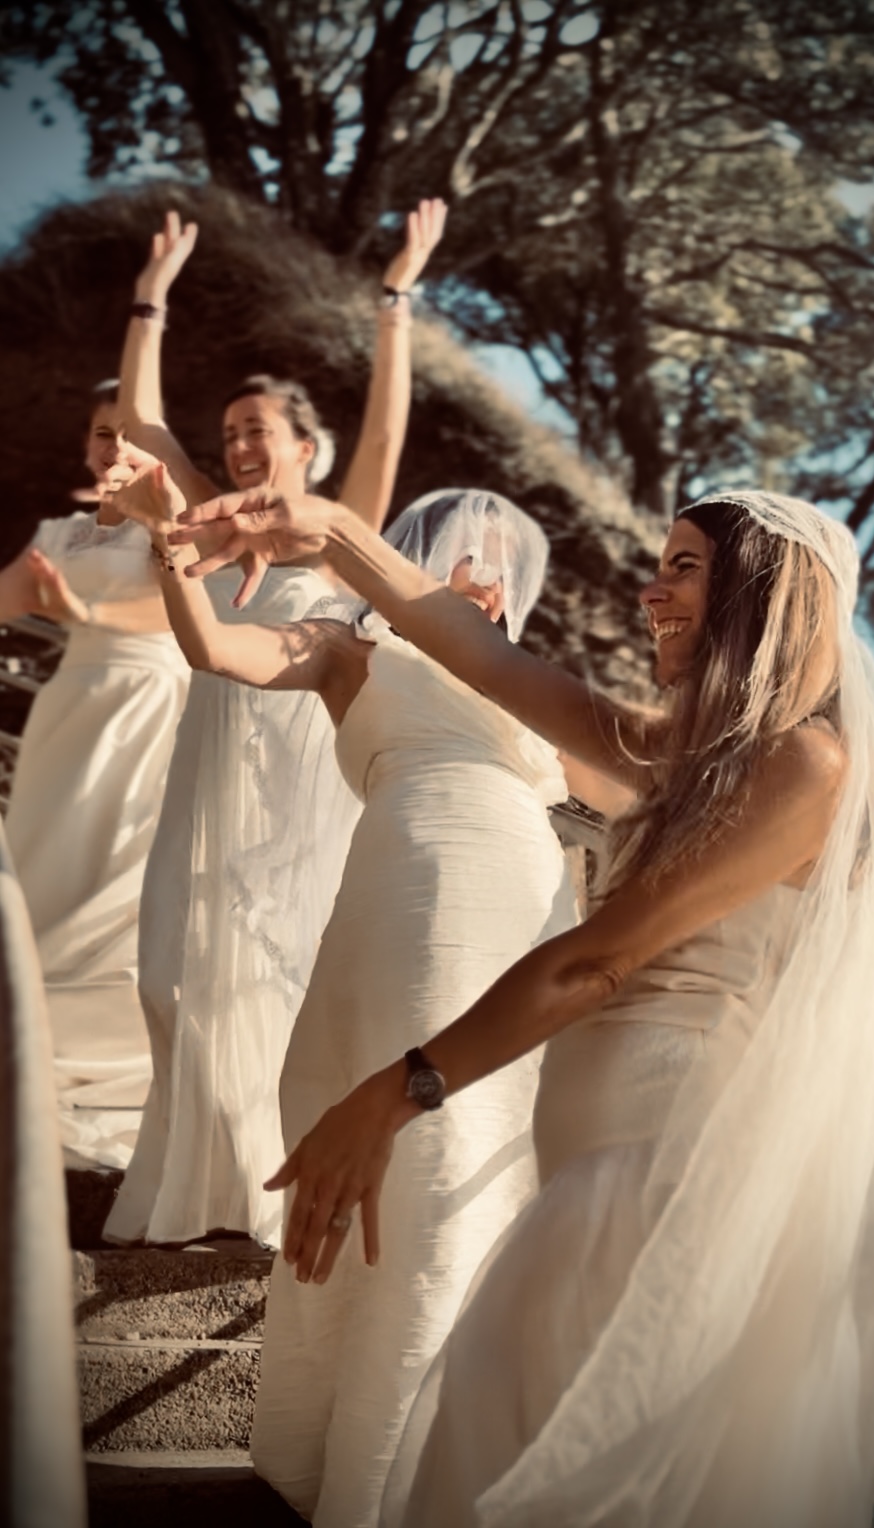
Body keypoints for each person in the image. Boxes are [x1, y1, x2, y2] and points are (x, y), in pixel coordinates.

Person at [171, 483, 874, 1527]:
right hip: (589, 1171)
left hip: (656, 1184)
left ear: (762, 592)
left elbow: (594, 964)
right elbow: (488, 661)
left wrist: (393, 1092)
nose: (649, 591)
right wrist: (332, 531)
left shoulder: (804, 765)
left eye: (683, 567)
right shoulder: (680, 758)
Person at [114, 472, 579, 1523]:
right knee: (421, 1140)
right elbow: (214, 650)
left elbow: (630, 782)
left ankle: (435, 1452)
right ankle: (356, 1461)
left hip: (526, 885)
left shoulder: (523, 680)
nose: (485, 575)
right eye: (466, 553)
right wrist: (171, 548)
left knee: (490, 1143)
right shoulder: (347, 648)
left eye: (504, 567)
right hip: (413, 877)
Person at [103, 200, 446, 1248]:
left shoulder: (340, 536)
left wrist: (396, 297)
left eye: (260, 430)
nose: (241, 444)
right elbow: (138, 431)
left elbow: (387, 426)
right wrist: (149, 300)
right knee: (171, 965)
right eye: (230, 435)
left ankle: (268, 1190)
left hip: (303, 781)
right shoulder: (210, 523)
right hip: (204, 767)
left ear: (307, 445)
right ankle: (191, 1186)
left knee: (279, 970)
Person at [1, 381, 189, 1168]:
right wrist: (41, 602)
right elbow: (10, 593)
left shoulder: (170, 523)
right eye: (100, 433)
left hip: (150, 708)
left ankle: (99, 1070)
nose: (112, 446)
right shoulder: (60, 530)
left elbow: (180, 612)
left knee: (118, 885)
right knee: (45, 874)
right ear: (86, 446)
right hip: (69, 708)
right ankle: (19, 1036)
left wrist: (86, 615)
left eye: (126, 432)